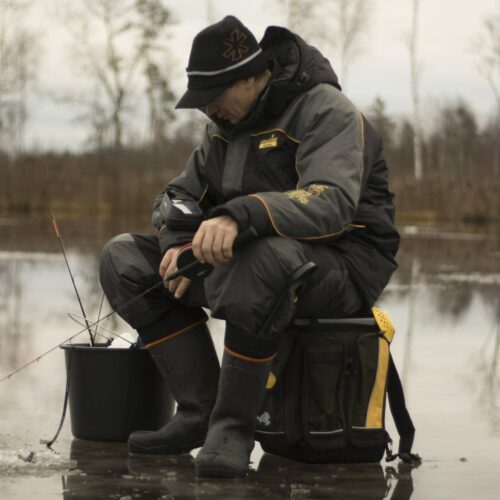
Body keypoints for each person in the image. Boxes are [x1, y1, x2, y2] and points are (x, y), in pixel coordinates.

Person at [99, 15, 399, 478]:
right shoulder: (222, 128)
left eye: (213, 99)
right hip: (260, 258)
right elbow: (177, 195)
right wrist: (179, 244)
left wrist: (242, 215)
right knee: (123, 258)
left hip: (346, 264)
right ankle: (199, 410)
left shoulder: (326, 110)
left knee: (264, 258)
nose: (208, 111)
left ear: (251, 78)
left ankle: (233, 427)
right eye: (201, 104)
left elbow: (332, 203)